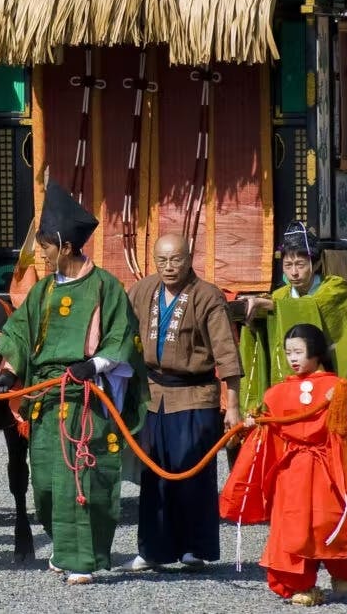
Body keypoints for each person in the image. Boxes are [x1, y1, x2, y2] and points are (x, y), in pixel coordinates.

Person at [0, 181, 145, 585]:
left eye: (45, 246)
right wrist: (8, 371)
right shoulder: (42, 289)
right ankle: (62, 546)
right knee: (44, 482)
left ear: (67, 246)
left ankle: (84, 560)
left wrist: (93, 366)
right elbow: (20, 334)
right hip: (44, 398)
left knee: (83, 478)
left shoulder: (105, 287)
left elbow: (122, 338)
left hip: (85, 398)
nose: (40, 253)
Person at [221, 324, 347, 606]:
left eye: (298, 351)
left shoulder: (338, 387)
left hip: (327, 467)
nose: (292, 358)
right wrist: (253, 423)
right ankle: (299, 584)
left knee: (333, 521)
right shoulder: (276, 393)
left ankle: (343, 571)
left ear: (317, 352)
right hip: (291, 470)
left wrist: (342, 402)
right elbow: (269, 427)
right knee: (291, 527)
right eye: (288, 353)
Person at [127, 233, 242, 571]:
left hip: (195, 395)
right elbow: (120, 328)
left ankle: (195, 547)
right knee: (155, 473)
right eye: (161, 260)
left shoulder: (207, 295)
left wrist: (232, 405)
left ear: (189, 258)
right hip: (152, 394)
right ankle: (153, 550)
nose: (169, 267)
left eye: (176, 259)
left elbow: (226, 354)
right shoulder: (143, 290)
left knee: (192, 471)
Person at [238, 223, 347, 414]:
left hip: (329, 379)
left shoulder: (335, 288)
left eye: (300, 265)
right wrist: (253, 319)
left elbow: (313, 305)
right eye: (288, 265)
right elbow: (265, 325)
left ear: (316, 263)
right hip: (292, 384)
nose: (293, 272)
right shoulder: (279, 295)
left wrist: (270, 306)